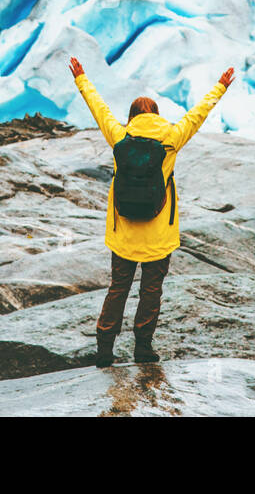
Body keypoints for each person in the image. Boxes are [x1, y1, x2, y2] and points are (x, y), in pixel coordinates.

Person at [68, 56, 234, 367]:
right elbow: (199, 114)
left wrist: (81, 79)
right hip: (159, 235)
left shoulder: (120, 137)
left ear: (131, 116)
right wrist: (221, 87)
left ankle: (105, 349)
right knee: (151, 290)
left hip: (124, 235)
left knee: (118, 288)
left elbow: (98, 108)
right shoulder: (171, 138)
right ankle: (143, 347)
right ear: (156, 114)